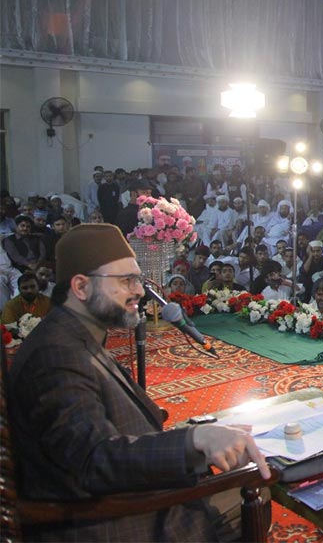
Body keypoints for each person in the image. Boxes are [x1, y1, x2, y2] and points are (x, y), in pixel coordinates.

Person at [8, 223, 270, 541]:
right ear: (80, 287)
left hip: (119, 499)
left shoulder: (73, 335)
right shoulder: (56, 356)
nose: (140, 291)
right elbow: (95, 460)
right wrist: (193, 441)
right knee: (254, 487)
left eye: (139, 279)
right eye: (126, 280)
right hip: (107, 523)